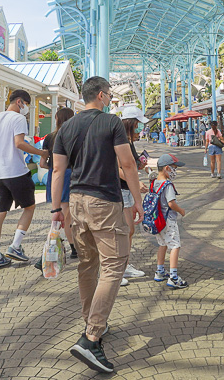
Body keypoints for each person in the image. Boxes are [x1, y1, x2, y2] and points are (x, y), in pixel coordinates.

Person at [51, 77, 142, 373]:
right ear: (101, 95)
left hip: (75, 200)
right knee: (115, 263)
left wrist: (56, 209)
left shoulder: (67, 127)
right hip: (104, 201)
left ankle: (91, 320)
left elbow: (57, 170)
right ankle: (91, 338)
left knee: (88, 264)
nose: (110, 99)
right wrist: (139, 200)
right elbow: (128, 164)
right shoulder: (111, 122)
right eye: (110, 95)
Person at [0, 90, 47, 271]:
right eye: (26, 104)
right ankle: (15, 246)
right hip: (16, 172)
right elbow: (19, 143)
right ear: (20, 102)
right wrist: (41, 152)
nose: (26, 108)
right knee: (29, 207)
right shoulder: (18, 118)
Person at [38, 108, 77, 265]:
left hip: (53, 176)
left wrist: (54, 170)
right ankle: (71, 248)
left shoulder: (49, 137)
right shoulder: (72, 136)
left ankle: (55, 246)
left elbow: (42, 162)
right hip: (68, 175)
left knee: (59, 214)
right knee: (67, 216)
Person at [119, 105, 150, 285]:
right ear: (131, 123)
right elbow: (119, 168)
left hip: (128, 189)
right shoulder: (119, 139)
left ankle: (125, 264)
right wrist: (135, 183)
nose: (140, 127)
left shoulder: (129, 141)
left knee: (129, 231)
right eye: (138, 123)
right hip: (121, 189)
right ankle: (117, 269)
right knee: (125, 230)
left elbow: (130, 165)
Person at [150, 154, 188, 289]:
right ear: (166, 168)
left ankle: (159, 272)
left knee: (162, 244)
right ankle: (174, 277)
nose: (175, 171)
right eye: (174, 168)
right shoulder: (168, 185)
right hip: (168, 221)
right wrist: (181, 210)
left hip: (158, 220)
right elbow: (171, 203)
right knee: (175, 246)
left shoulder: (154, 182)